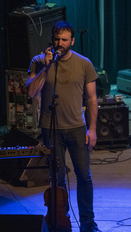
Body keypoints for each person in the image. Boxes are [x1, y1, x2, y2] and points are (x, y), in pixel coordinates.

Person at [26, 21, 101, 232]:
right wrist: (46, 67)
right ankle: (61, 222)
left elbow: (92, 99)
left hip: (77, 127)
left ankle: (87, 223)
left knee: (84, 176)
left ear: (72, 41)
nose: (60, 43)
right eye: (57, 39)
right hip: (50, 128)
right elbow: (31, 92)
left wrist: (92, 129)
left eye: (64, 40)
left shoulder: (84, 64)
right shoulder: (39, 61)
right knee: (56, 179)